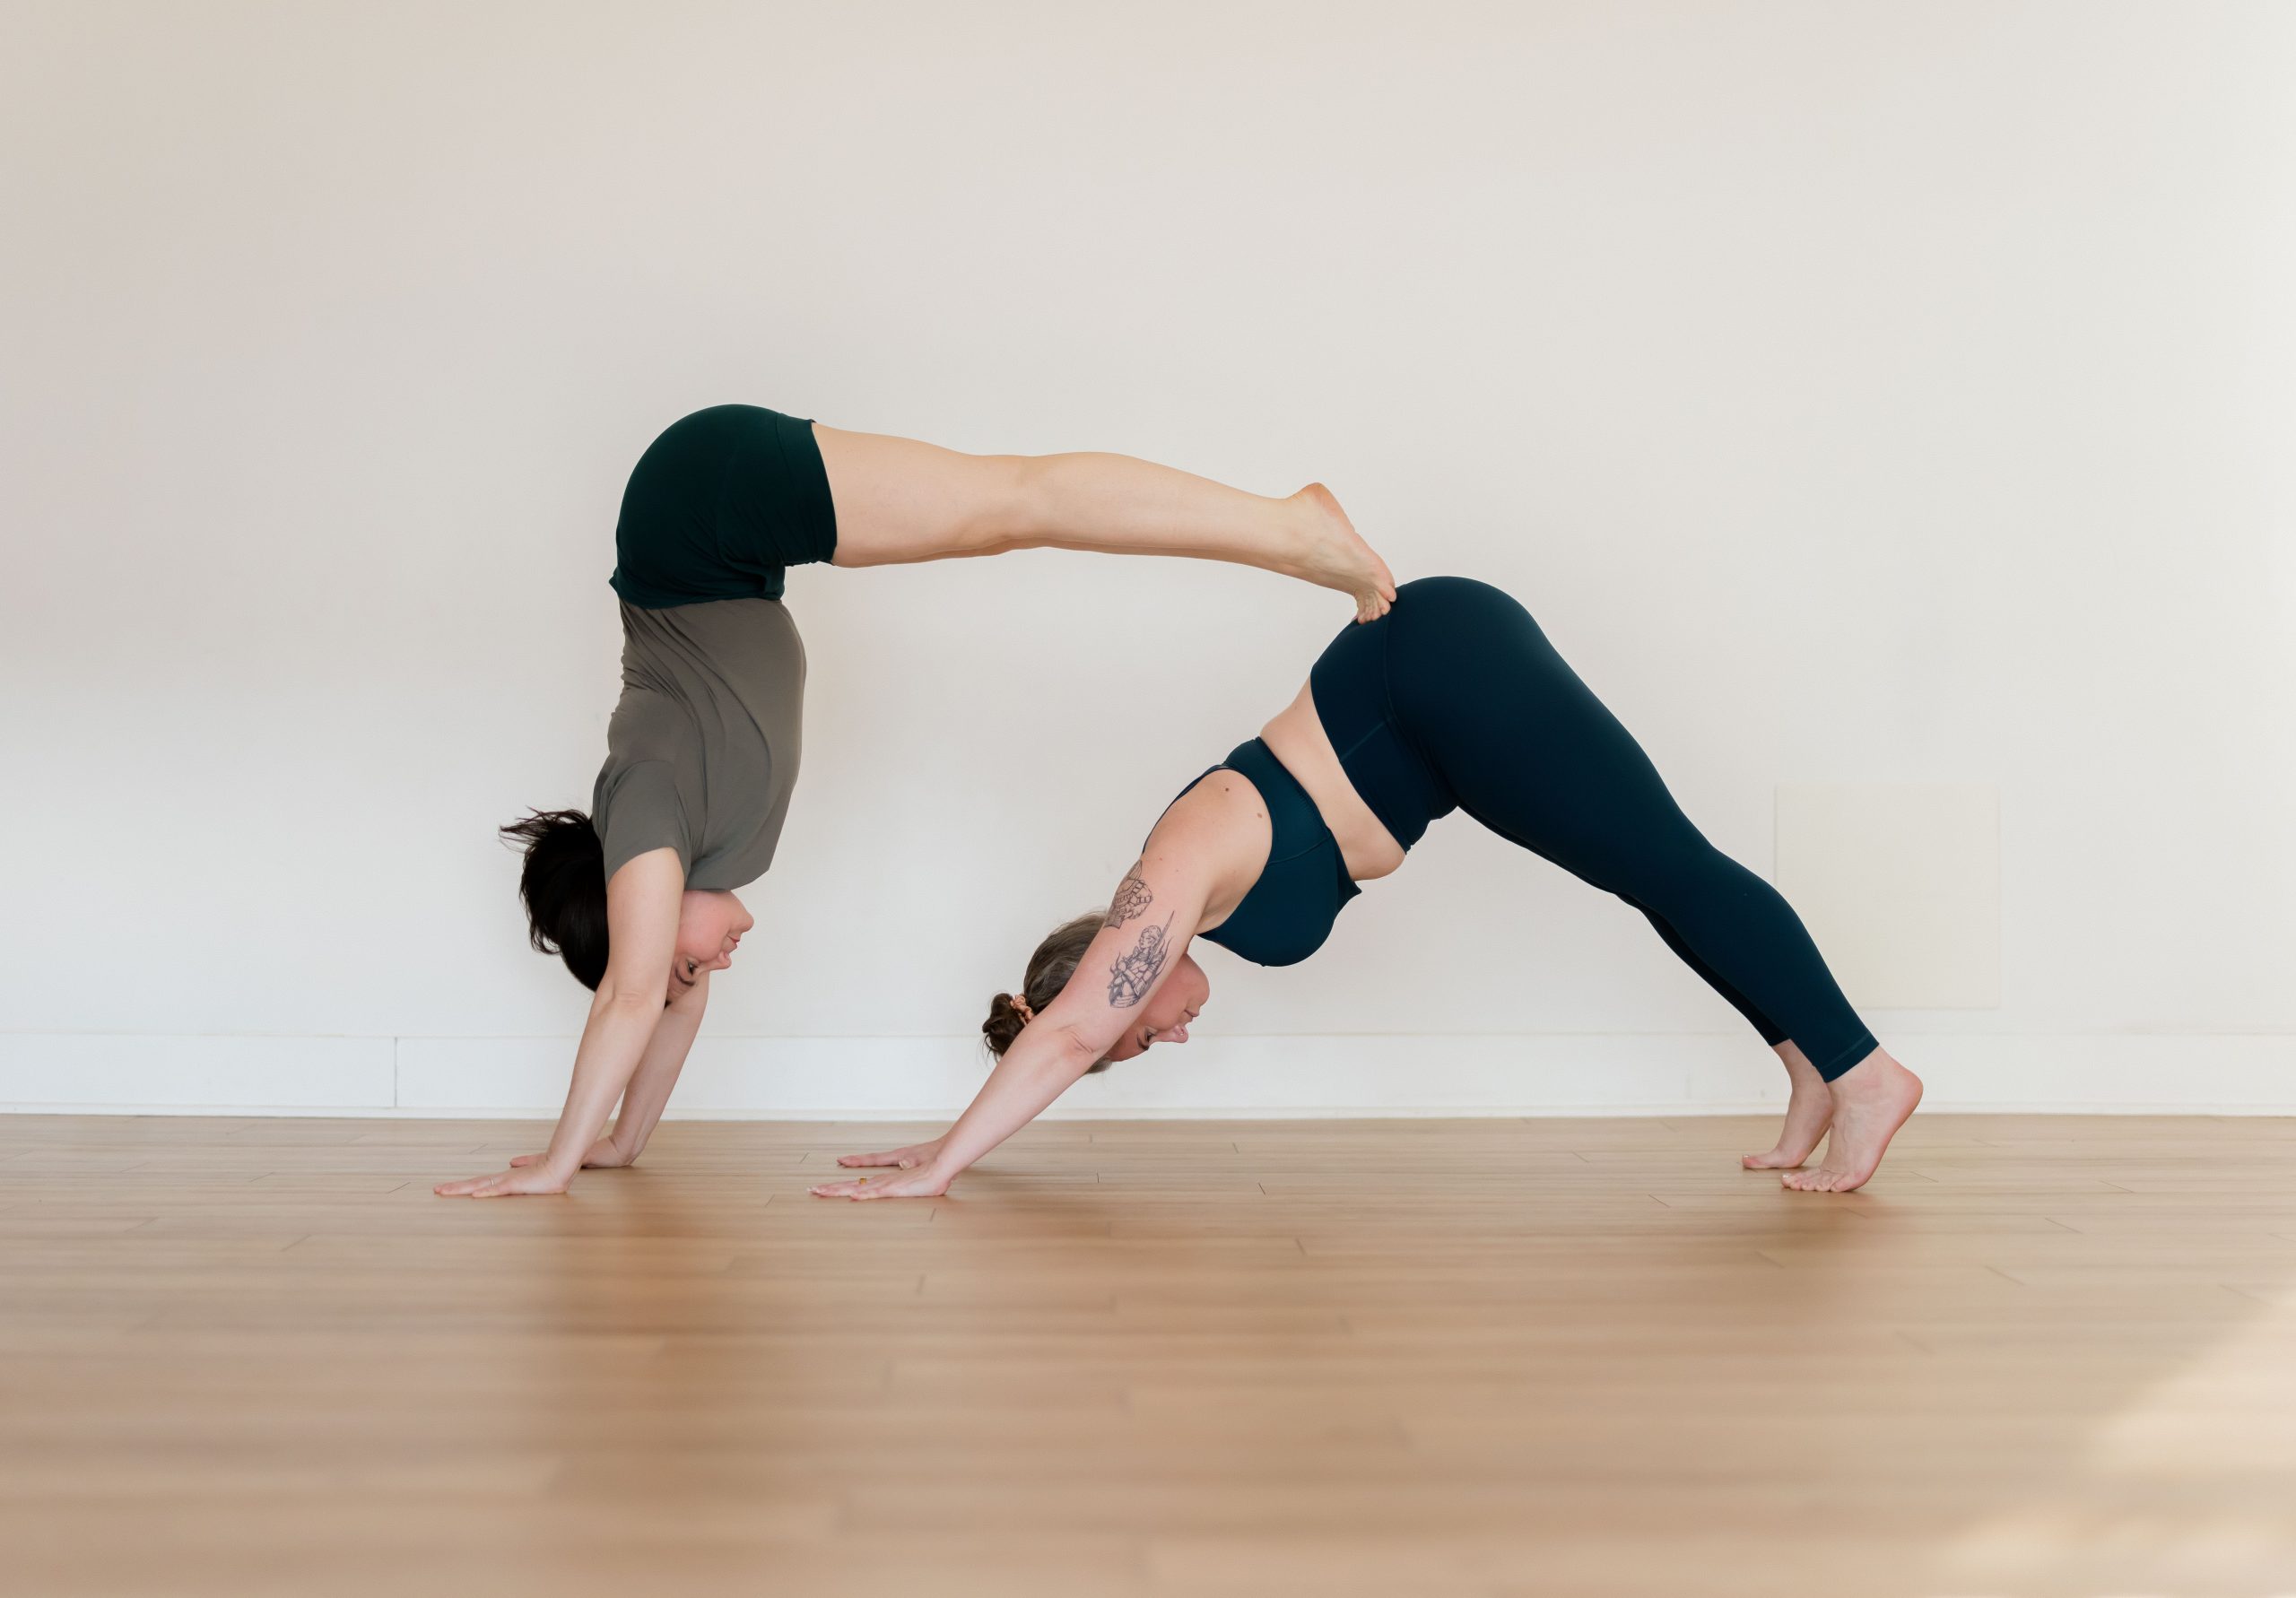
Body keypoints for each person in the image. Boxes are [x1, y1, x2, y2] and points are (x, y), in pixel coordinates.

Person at [436, 404, 1394, 1198]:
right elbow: (664, 1001)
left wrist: (557, 1163)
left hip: (692, 512)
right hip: (727, 554)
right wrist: (620, 1142)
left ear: (628, 902)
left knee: (1011, 505)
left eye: (688, 963)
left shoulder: (644, 807)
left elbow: (633, 995)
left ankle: (1291, 526)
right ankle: (1285, 526)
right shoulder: (703, 857)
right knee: (1006, 511)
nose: (712, 968)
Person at [810, 576, 1922, 1203]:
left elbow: (1059, 1038)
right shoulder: (1206, 915)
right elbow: (1062, 1032)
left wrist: (940, 1163)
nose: (1172, 1039)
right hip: (1441, 744)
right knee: (1653, 879)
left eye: (1140, 1036)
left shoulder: (1171, 872)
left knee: (1672, 862)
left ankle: (1865, 1073)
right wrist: (947, 1141)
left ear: (1110, 976)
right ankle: (1808, 1068)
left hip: (1433, 672)